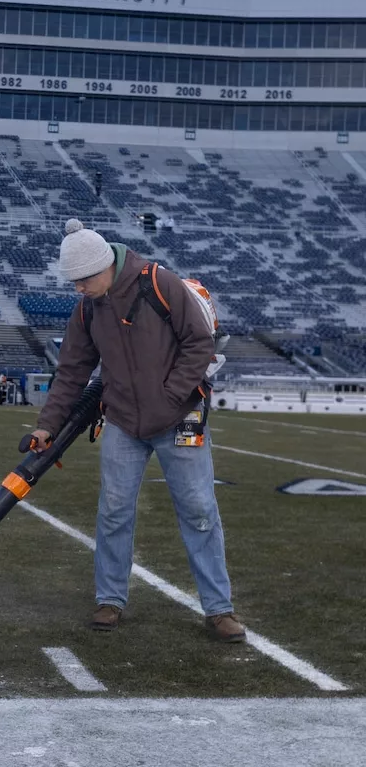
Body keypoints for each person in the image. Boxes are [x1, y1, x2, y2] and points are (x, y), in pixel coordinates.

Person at [30, 220, 244, 642]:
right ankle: (110, 599)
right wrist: (46, 426)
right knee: (113, 511)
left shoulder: (159, 284)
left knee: (200, 511)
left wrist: (170, 396)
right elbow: (72, 371)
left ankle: (219, 609)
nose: (77, 289)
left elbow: (200, 343)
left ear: (104, 266)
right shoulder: (88, 308)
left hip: (180, 417)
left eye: (82, 280)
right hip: (124, 422)